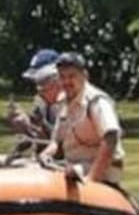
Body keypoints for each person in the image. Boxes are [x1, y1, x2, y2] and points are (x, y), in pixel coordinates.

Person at [38, 51, 125, 185]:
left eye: (72, 76)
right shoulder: (62, 101)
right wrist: (46, 154)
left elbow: (111, 137)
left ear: (85, 76)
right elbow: (56, 141)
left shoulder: (96, 102)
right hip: (74, 163)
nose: (66, 81)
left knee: (71, 173)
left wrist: (92, 179)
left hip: (101, 169)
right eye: (62, 77)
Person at [7, 48, 64, 148]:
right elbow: (34, 140)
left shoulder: (71, 104)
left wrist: (30, 126)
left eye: (43, 82)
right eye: (36, 82)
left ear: (58, 79)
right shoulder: (40, 103)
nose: (39, 88)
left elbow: (63, 145)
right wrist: (24, 127)